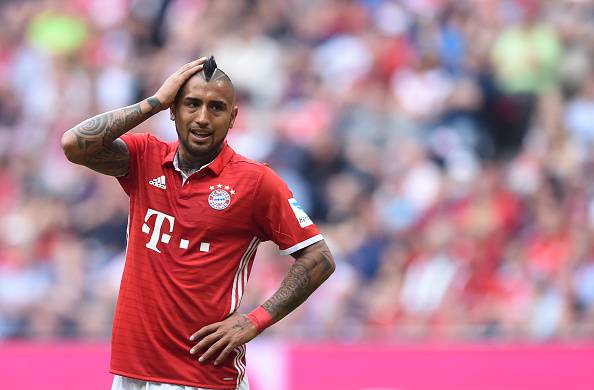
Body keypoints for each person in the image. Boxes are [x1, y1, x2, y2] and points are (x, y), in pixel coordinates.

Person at [61, 56, 335, 390]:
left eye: (216, 108)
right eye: (191, 104)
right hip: (132, 372)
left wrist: (256, 320)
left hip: (201, 375)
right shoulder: (145, 157)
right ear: (174, 110)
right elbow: (74, 144)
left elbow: (319, 257)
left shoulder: (256, 181)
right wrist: (155, 102)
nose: (203, 118)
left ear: (233, 117)